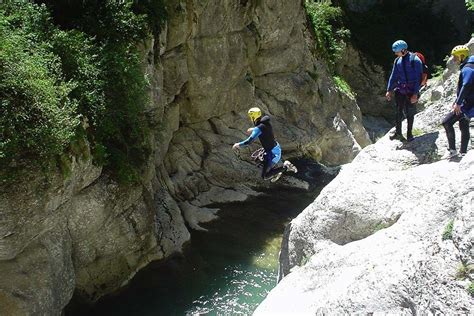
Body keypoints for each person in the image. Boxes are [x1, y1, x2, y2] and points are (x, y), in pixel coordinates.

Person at [232, 107, 297, 182]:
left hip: (273, 153)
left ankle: (285, 167)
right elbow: (263, 129)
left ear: (253, 117)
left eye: (251, 117)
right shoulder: (265, 123)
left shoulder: (258, 128)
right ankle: (277, 171)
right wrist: (253, 129)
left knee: (265, 176)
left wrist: (238, 144)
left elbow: (249, 141)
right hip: (275, 148)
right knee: (261, 162)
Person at [385, 40, 423, 142]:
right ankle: (398, 133)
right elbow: (394, 76)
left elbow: (418, 79)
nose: (395, 53)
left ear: (403, 50)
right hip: (401, 89)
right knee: (398, 111)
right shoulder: (398, 61)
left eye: (397, 51)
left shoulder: (415, 60)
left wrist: (415, 94)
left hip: (411, 90)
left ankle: (409, 134)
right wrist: (389, 89)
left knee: (409, 112)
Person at [441, 45, 474, 159]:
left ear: (462, 56)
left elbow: (466, 85)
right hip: (469, 102)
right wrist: (457, 100)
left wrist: (458, 103)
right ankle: (463, 152)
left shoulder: (467, 68)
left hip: (468, 104)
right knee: (463, 124)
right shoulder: (470, 66)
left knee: (446, 122)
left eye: (455, 57)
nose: (454, 60)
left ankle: (452, 150)